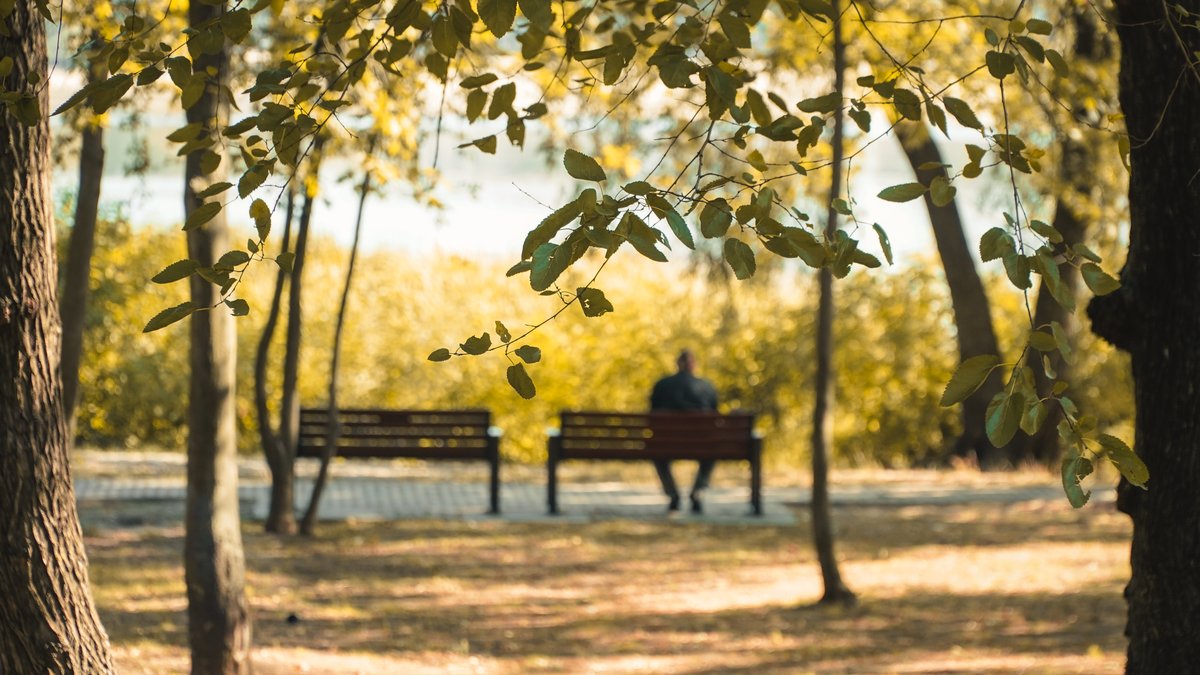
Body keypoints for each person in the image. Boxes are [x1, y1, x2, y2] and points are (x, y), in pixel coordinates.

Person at [649, 349, 719, 513]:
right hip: (702, 444)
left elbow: (651, 415)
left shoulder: (662, 385)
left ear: (677, 363)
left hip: (666, 444)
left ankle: (673, 494)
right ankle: (697, 490)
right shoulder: (706, 387)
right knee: (711, 453)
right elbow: (715, 416)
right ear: (693, 364)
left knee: (658, 454)